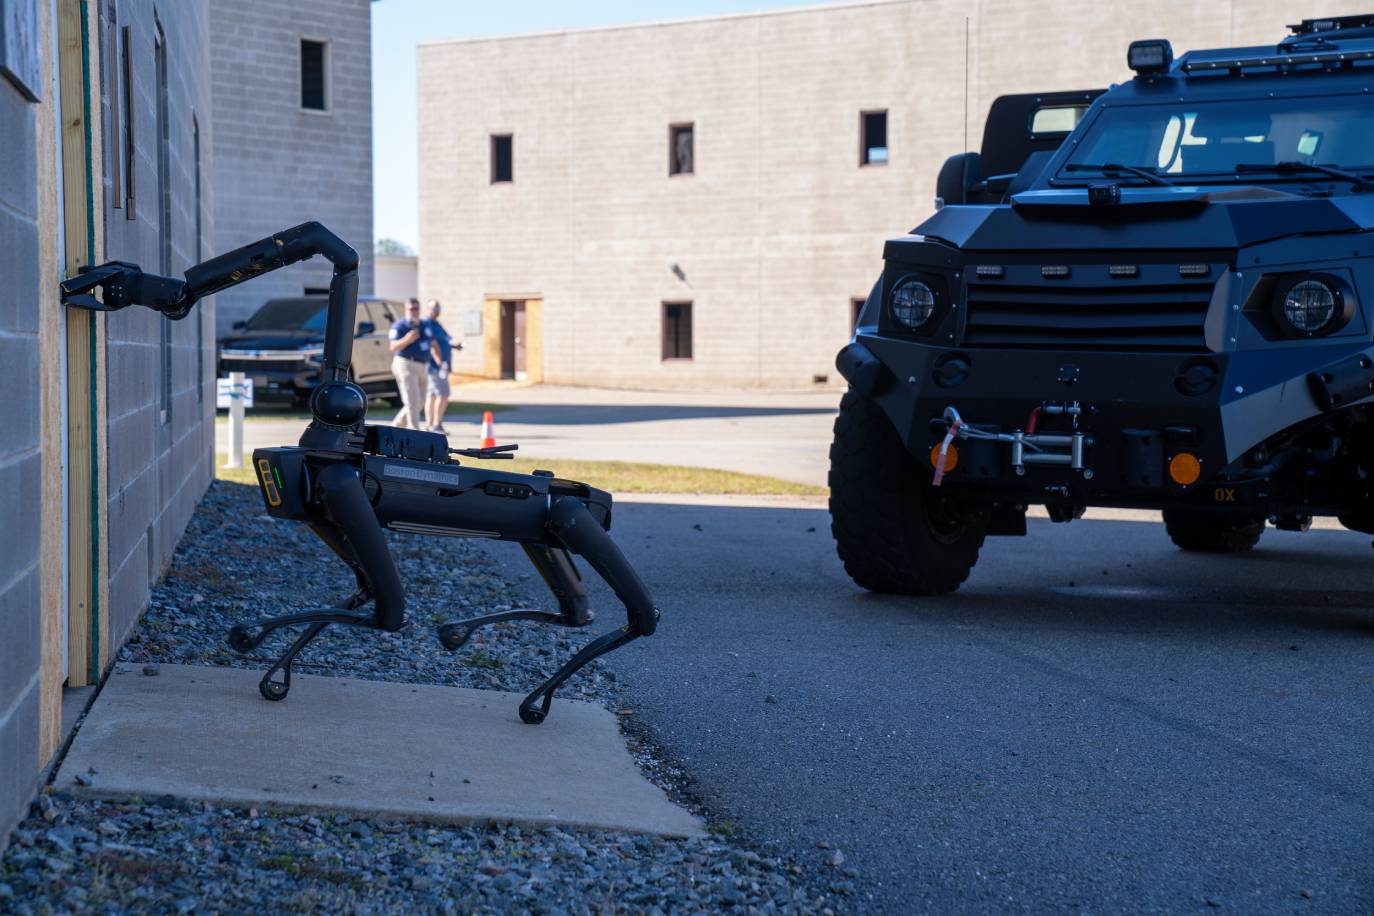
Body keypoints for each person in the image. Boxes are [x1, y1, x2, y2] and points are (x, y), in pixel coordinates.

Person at [389, 298, 438, 429]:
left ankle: (396, 425)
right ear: (406, 310)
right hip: (405, 363)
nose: (414, 311)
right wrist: (407, 339)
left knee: (421, 401)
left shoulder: (424, 325)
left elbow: (433, 343)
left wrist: (439, 360)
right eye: (411, 309)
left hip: (423, 365)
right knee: (412, 400)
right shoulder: (399, 326)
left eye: (416, 308)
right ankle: (414, 429)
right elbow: (393, 347)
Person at [422, 299, 461, 433]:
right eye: (433, 308)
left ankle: (430, 424)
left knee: (433, 395)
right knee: (443, 394)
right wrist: (441, 364)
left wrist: (455, 346)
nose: (436, 310)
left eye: (438, 307)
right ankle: (436, 425)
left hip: (440, 366)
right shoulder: (427, 324)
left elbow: (445, 342)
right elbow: (433, 347)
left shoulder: (437, 324)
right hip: (436, 366)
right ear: (428, 309)